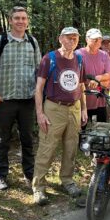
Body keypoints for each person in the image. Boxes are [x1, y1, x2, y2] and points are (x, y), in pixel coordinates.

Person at [0, 6, 41, 191]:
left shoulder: (32, 42)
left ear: (27, 21)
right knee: (2, 139)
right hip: (4, 100)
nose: (20, 21)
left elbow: (39, 70)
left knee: (27, 138)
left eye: (24, 18)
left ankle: (29, 173)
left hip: (27, 100)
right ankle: (0, 175)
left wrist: (37, 94)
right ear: (10, 20)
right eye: (16, 18)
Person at [32, 27, 88, 205]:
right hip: (54, 108)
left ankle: (67, 180)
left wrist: (84, 109)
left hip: (74, 108)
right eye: (68, 38)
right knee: (47, 147)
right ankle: (39, 187)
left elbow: (81, 86)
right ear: (60, 39)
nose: (72, 41)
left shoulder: (79, 59)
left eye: (75, 38)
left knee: (71, 146)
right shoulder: (50, 58)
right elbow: (39, 89)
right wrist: (40, 113)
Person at [76, 28, 110, 123]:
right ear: (87, 39)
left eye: (99, 39)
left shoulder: (104, 55)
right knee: (82, 131)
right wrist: (88, 82)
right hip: (82, 101)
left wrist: (97, 79)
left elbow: (109, 75)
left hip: (100, 100)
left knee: (101, 130)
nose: (97, 42)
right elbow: (76, 77)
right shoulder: (78, 54)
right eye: (94, 39)